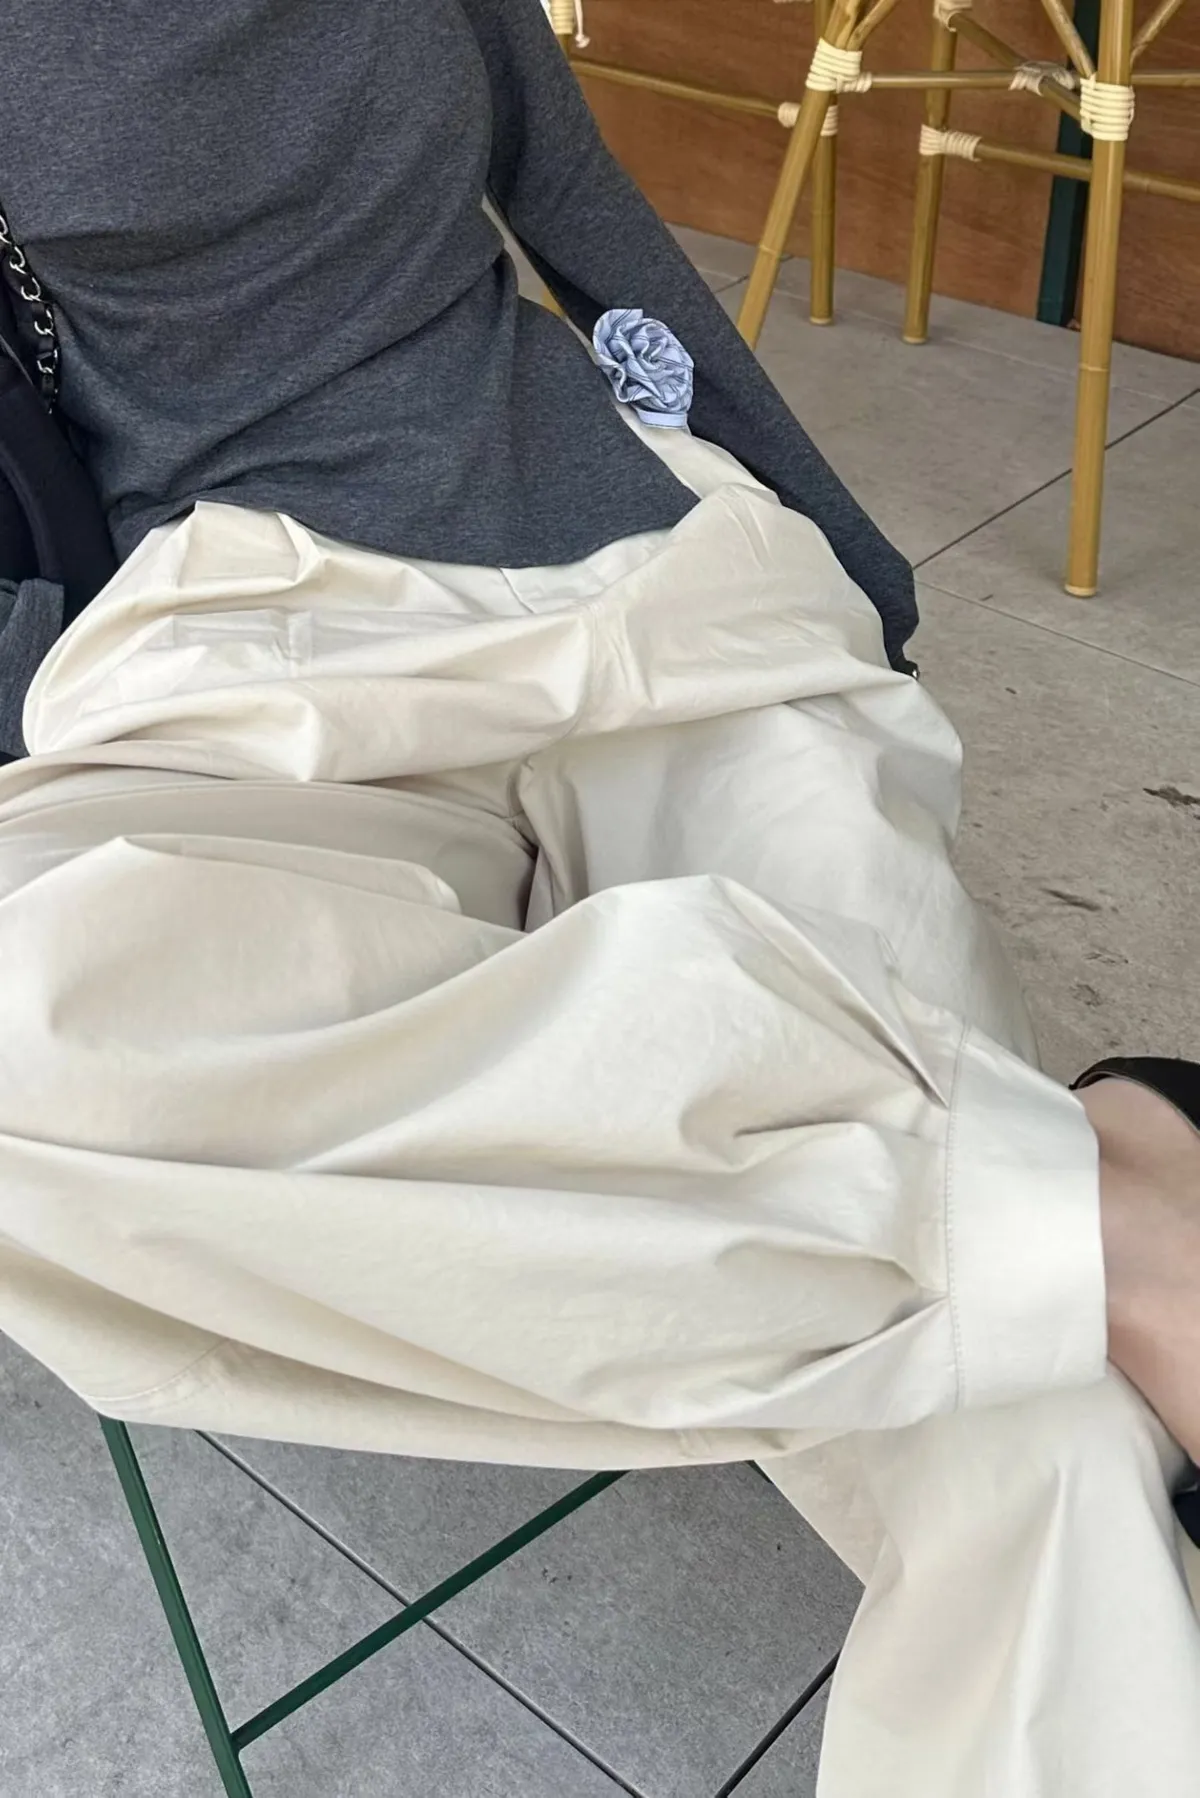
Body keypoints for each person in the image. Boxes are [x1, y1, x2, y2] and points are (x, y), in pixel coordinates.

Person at [0, 3, 1197, 1792]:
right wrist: (56, 673)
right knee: (39, 1028)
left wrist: (848, 567)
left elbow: (580, 205)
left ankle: (1051, 1225)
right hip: (250, 636)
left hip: (643, 565)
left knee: (1042, 1421)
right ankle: (1101, 1190)